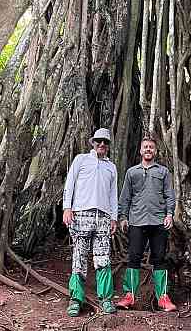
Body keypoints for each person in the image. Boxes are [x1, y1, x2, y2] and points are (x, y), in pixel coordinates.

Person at [117, 136, 177, 312]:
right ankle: (130, 296)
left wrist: (169, 214)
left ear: (155, 151)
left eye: (151, 147)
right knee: (134, 257)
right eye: (145, 147)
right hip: (137, 221)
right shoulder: (132, 172)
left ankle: (163, 297)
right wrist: (123, 216)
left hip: (159, 221)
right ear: (141, 151)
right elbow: (125, 196)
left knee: (160, 258)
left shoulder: (163, 172)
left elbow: (169, 195)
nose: (148, 149)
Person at [62, 128, 118, 317]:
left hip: (102, 218)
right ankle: (76, 300)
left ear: (109, 146)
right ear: (92, 142)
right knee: (79, 258)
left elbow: (113, 194)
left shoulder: (111, 167)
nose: (102, 144)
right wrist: (67, 208)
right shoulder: (81, 159)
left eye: (105, 142)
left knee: (103, 259)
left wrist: (114, 217)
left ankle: (106, 299)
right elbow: (70, 184)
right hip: (81, 215)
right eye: (99, 141)